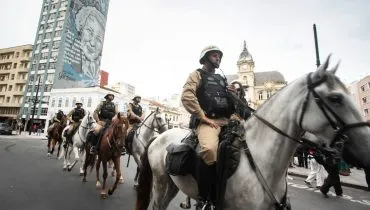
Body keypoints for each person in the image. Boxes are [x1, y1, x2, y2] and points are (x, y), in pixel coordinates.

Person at [181, 45, 236, 209]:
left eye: (219, 56)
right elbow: (187, 96)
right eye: (214, 56)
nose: (218, 58)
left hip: (226, 121)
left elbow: (228, 104)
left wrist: (233, 95)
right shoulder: (196, 75)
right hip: (207, 122)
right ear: (205, 58)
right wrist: (203, 117)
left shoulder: (222, 79)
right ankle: (204, 198)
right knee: (210, 149)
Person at [75, 6, 106, 82]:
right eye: (90, 31)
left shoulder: (94, 72)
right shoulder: (71, 61)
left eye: (98, 39)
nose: (92, 43)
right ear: (81, 29)